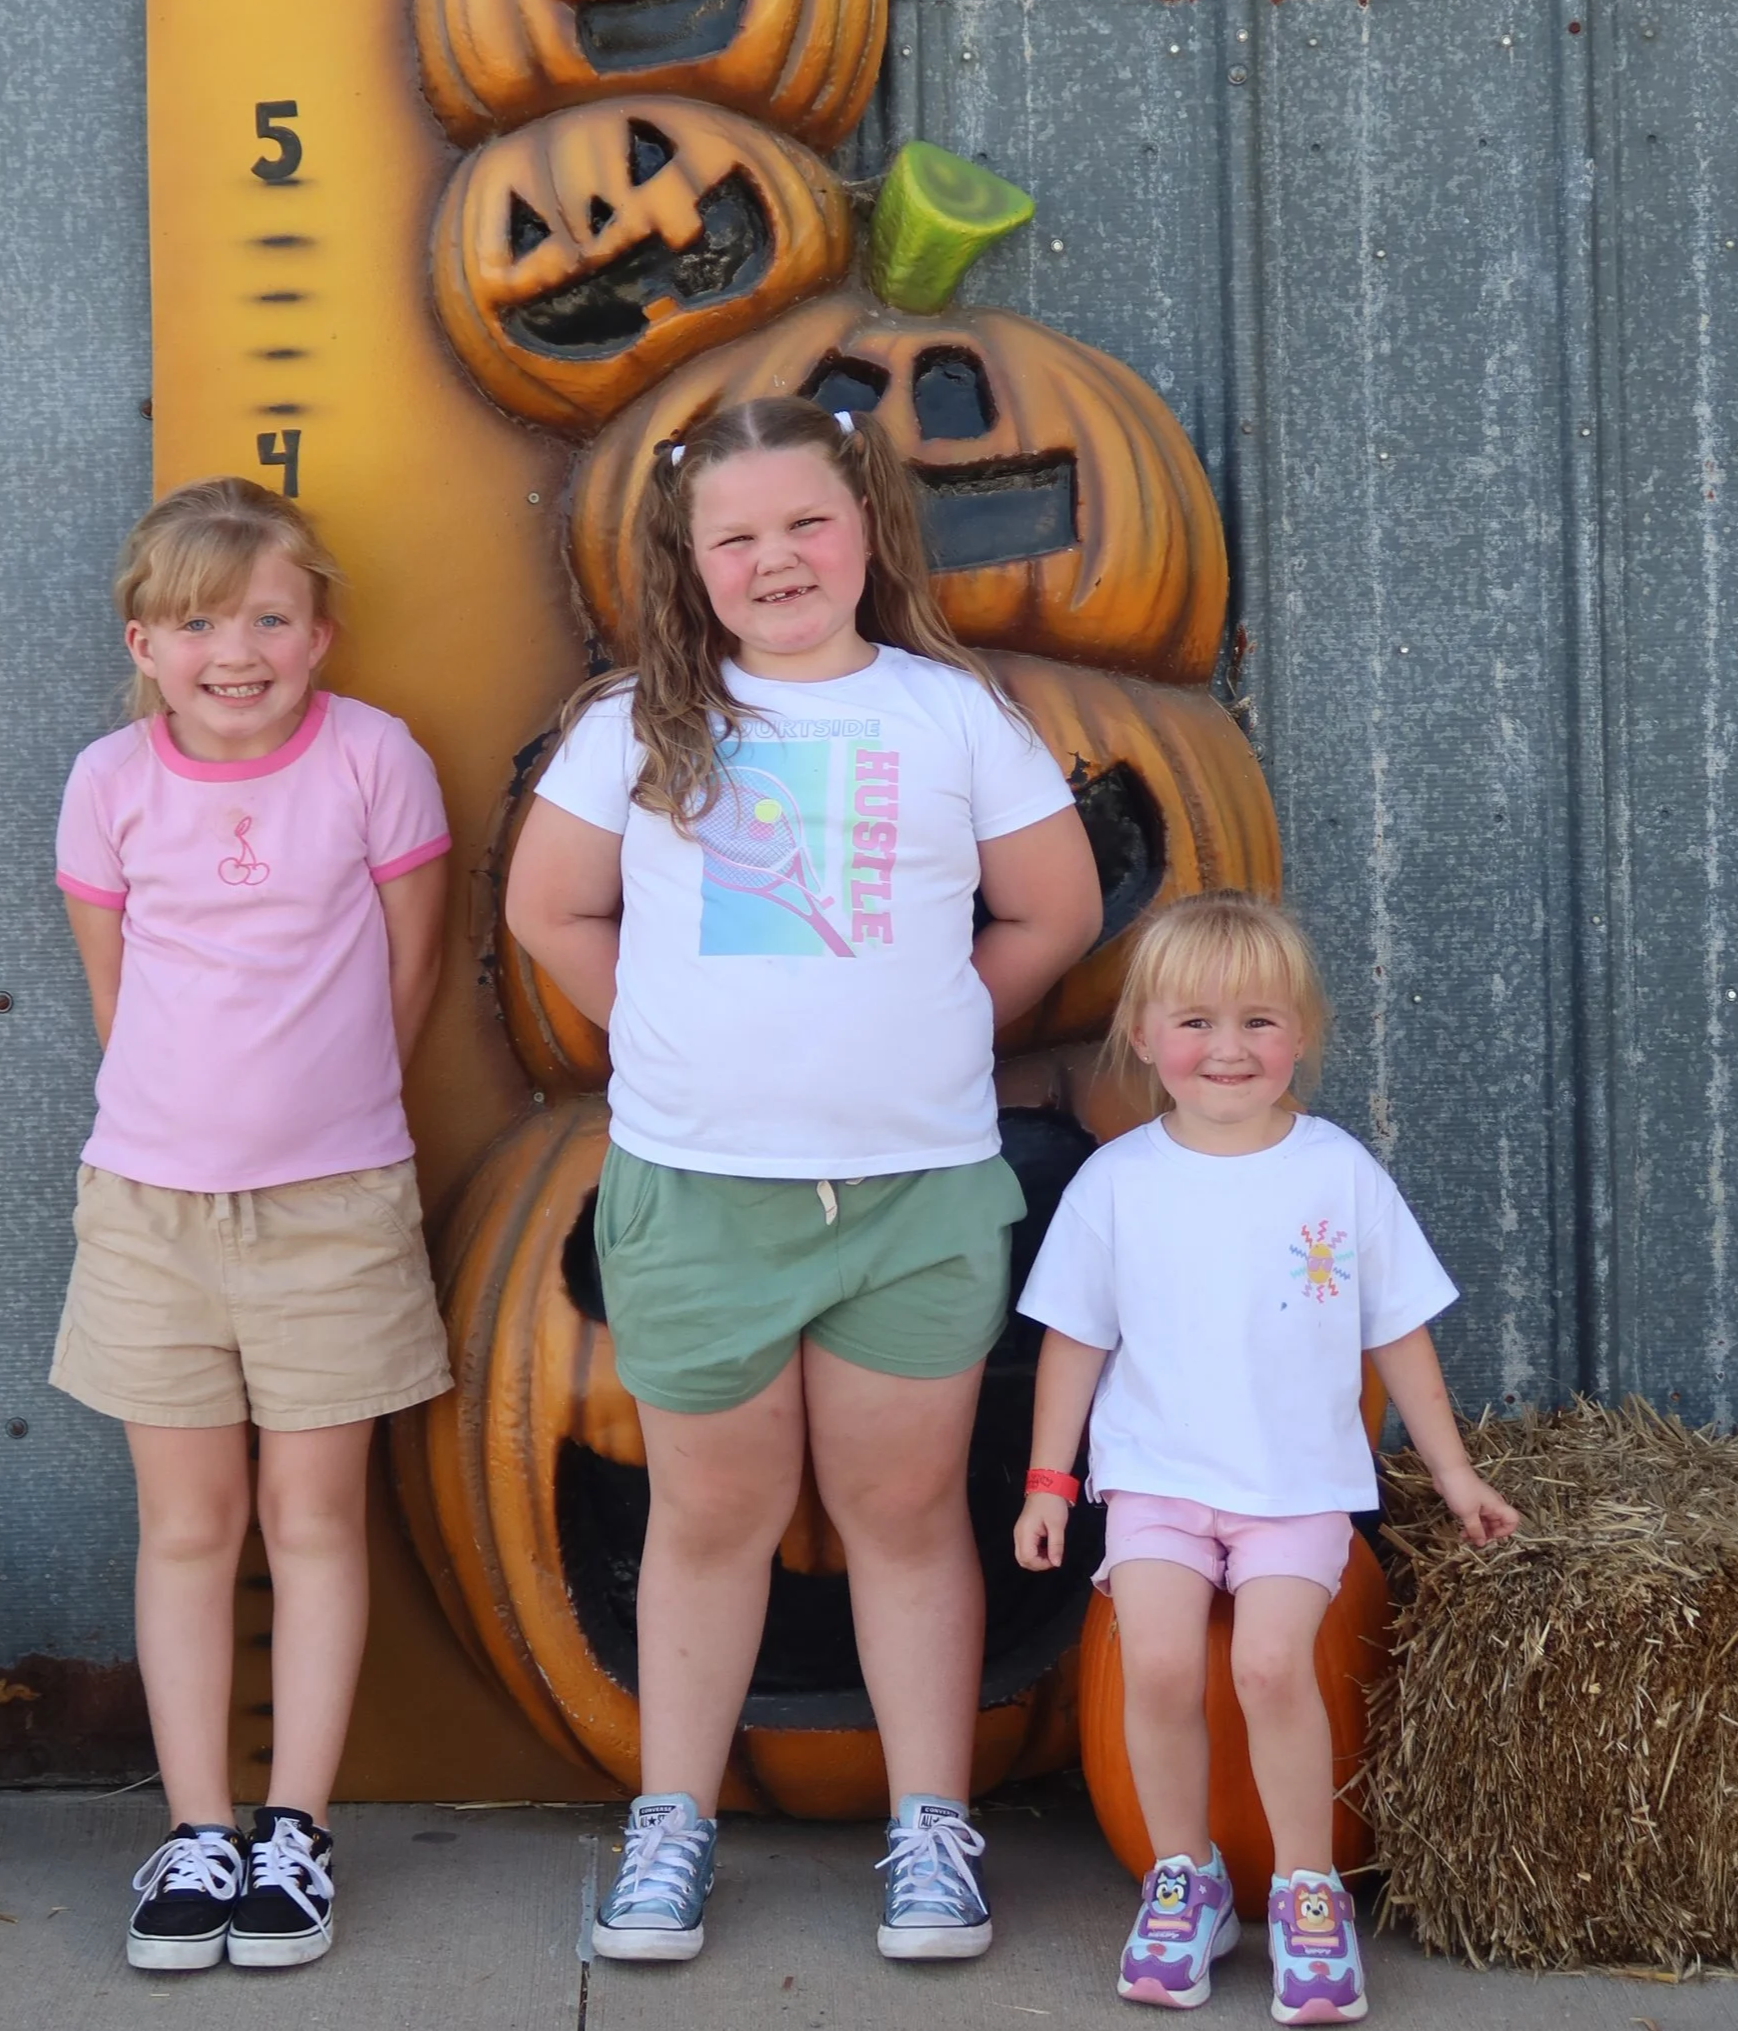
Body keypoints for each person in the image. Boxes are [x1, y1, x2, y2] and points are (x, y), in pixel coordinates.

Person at [506, 396, 1103, 1962]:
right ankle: (671, 1820)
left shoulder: (948, 715)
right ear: (687, 560)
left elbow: (1050, 907)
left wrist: (940, 1019)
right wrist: (665, 1028)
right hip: (703, 1192)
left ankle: (930, 1827)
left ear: (866, 532)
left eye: (804, 523)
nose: (774, 558)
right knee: (712, 1512)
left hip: (911, 1196)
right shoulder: (633, 722)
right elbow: (548, 907)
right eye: (736, 536)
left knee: (903, 1508)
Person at [51, 477, 454, 1971]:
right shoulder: (109, 781)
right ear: (145, 645)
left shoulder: (373, 758)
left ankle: (295, 1831)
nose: (237, 651)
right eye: (200, 624)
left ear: (320, 635)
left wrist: (320, 1115)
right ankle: (198, 1829)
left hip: (334, 1208)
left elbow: (410, 969)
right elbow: (114, 987)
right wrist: (190, 1125)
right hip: (151, 1210)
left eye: (271, 619)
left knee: (314, 1518)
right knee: (188, 1525)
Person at [1012, 891, 1520, 2022]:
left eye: (1258, 1021)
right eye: (1195, 1022)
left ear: (1302, 1033)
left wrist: (1453, 1474)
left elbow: (1398, 1334)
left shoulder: (1336, 1173)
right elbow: (1073, 1343)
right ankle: (1183, 1879)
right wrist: (1050, 1480)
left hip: (1293, 1487)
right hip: (1156, 1482)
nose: (1227, 1048)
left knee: (1272, 1666)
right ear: (1142, 1034)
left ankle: (1305, 1888)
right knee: (1155, 1664)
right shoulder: (1117, 1182)